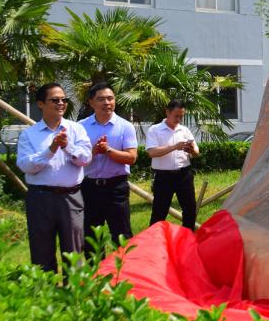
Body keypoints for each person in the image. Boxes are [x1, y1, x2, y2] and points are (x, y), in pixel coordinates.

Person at [16, 83, 92, 271]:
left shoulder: (76, 130)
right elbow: (25, 165)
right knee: (41, 251)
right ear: (40, 104)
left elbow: (86, 159)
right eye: (55, 100)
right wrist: (50, 149)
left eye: (64, 99)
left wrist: (67, 147)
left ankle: (73, 288)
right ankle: (45, 288)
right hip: (40, 198)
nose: (61, 103)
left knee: (74, 252)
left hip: (71, 197)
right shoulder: (29, 135)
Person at [79, 83, 138, 254]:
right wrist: (94, 151)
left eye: (110, 98)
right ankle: (96, 270)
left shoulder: (125, 126)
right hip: (89, 188)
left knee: (122, 236)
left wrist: (108, 151)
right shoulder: (81, 127)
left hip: (116, 188)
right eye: (101, 99)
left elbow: (131, 158)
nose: (107, 103)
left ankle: (124, 269)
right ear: (91, 102)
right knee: (91, 237)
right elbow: (76, 159)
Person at [146, 99, 200, 230]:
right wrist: (174, 147)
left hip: (184, 174)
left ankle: (188, 237)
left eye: (181, 116)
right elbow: (151, 152)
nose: (179, 119)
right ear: (167, 112)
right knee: (159, 212)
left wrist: (191, 150)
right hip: (164, 177)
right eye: (176, 116)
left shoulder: (184, 130)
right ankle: (154, 239)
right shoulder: (155, 130)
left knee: (190, 210)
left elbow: (196, 152)